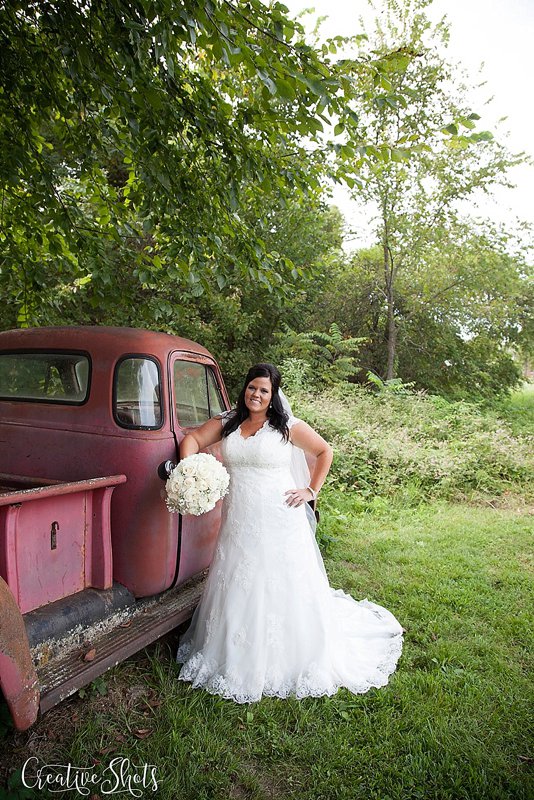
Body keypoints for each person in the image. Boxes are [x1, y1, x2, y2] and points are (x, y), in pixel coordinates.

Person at [176, 363, 403, 702]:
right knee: (238, 577)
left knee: (280, 581)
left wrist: (311, 490)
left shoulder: (287, 427)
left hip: (279, 519)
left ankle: (289, 654)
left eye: (264, 390)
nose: (256, 394)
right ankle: (233, 650)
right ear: (245, 389)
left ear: (273, 395)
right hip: (239, 519)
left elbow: (325, 451)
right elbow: (192, 438)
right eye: (252, 387)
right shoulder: (229, 423)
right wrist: (192, 468)